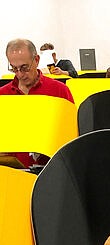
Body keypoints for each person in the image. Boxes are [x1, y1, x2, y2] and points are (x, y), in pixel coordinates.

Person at [0, 38, 74, 169]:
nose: (20, 74)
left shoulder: (59, 90)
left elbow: (72, 137)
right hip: (14, 173)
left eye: (24, 67)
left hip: (53, 170)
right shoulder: (3, 95)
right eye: (14, 69)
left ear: (37, 60)